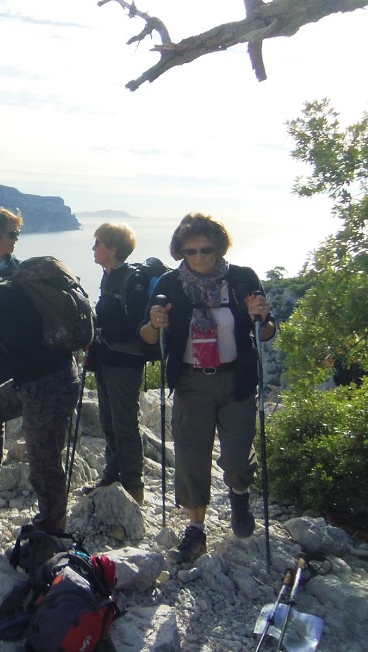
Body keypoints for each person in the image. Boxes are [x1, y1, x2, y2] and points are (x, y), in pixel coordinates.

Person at [139, 213, 276, 563]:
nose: (198, 258)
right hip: (191, 381)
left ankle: (239, 491)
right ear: (179, 251)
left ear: (220, 246)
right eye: (189, 251)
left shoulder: (243, 279)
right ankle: (196, 530)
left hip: (236, 379)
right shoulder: (170, 284)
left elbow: (266, 332)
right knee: (190, 456)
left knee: (235, 456)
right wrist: (154, 323)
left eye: (206, 250)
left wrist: (262, 316)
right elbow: (146, 336)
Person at [0, 256, 82, 534]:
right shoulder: (9, 290)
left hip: (46, 385)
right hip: (43, 378)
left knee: (44, 463)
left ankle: (52, 530)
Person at [81, 223, 148, 504]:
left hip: (125, 363)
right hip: (107, 360)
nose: (94, 248)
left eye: (98, 243)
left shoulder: (131, 281)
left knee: (124, 423)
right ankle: (112, 473)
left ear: (113, 249)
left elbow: (134, 326)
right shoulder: (109, 277)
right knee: (109, 420)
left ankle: (133, 484)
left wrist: (102, 333)